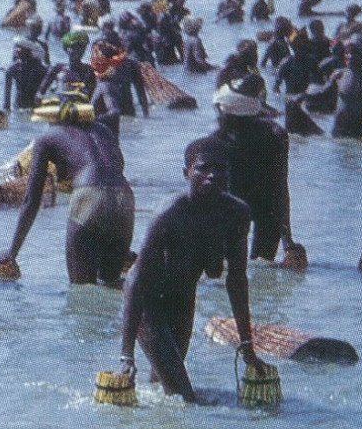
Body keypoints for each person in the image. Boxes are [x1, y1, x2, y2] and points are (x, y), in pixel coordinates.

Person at [118, 139, 266, 401]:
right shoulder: (170, 213)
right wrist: (126, 355)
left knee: (164, 389)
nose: (212, 175)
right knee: (184, 396)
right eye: (203, 168)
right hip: (148, 304)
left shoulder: (236, 214)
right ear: (186, 172)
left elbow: (237, 281)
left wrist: (247, 347)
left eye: (221, 169)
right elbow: (137, 279)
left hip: (183, 302)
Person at [0, 98, 134, 287]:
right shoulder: (104, 130)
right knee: (111, 283)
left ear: (54, 117)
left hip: (89, 196)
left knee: (81, 292)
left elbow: (31, 200)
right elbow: (117, 169)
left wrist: (12, 251)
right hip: (125, 199)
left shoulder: (47, 138)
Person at [210, 76, 298, 263]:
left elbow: (280, 187)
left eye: (220, 111)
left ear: (234, 115)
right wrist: (288, 241)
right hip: (257, 212)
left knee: (234, 270)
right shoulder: (276, 135)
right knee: (262, 271)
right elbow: (281, 189)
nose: (217, 116)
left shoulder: (219, 139)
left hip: (246, 211)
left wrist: (288, 242)